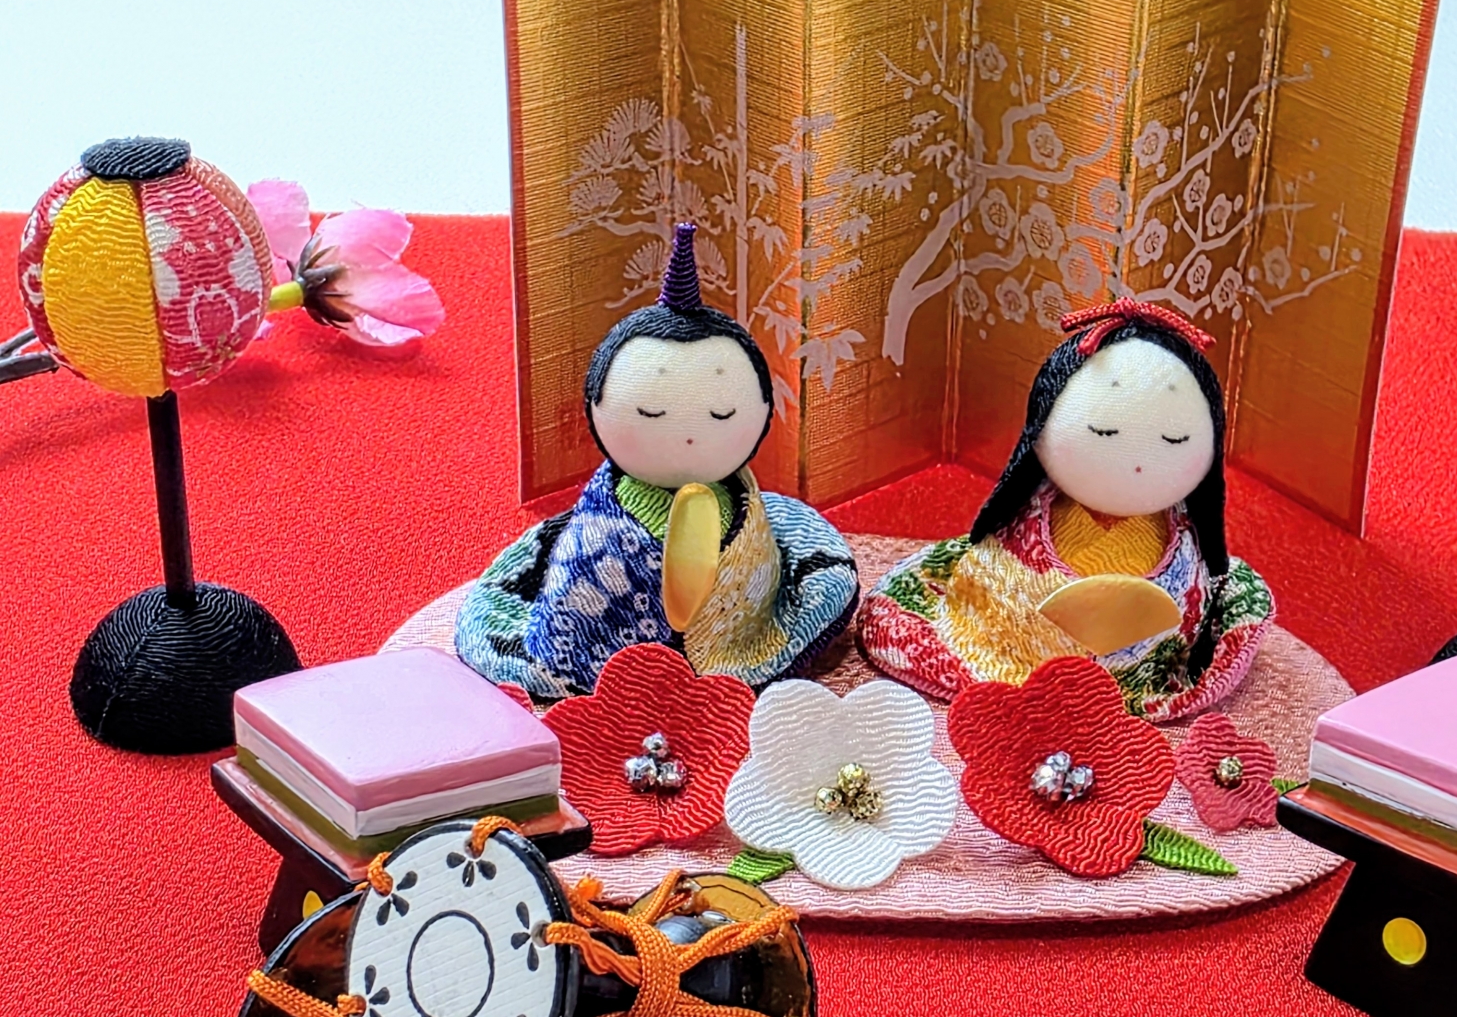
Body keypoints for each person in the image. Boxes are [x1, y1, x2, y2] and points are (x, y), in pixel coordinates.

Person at [455, 223, 857, 699]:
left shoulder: (751, 510)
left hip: (742, 633)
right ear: (595, 405)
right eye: (649, 412)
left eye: (721, 413)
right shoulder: (598, 524)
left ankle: (732, 656)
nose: (689, 434)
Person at [859, 298, 1273, 720]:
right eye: (1104, 431)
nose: (1135, 461)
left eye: (1174, 439)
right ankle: (1028, 668)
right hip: (1005, 648)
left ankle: (1126, 681)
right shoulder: (1020, 527)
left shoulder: (1188, 540)